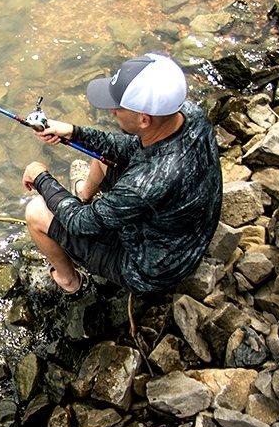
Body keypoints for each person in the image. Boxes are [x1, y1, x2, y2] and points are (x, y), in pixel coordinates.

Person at [21, 52, 222, 295]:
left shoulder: (145, 183)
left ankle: (69, 281)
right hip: (188, 231)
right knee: (105, 157)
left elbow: (79, 224)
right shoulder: (189, 115)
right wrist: (73, 132)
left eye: (118, 107)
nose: (112, 112)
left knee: (35, 212)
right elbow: (128, 148)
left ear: (144, 120)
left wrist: (40, 175)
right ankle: (82, 195)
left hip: (151, 269)